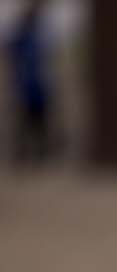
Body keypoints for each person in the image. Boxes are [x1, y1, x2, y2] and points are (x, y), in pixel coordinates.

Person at [5, 0, 52, 164]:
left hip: (38, 89)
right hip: (26, 89)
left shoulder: (39, 38)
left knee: (38, 124)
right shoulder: (22, 39)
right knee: (25, 124)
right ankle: (23, 154)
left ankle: (40, 154)